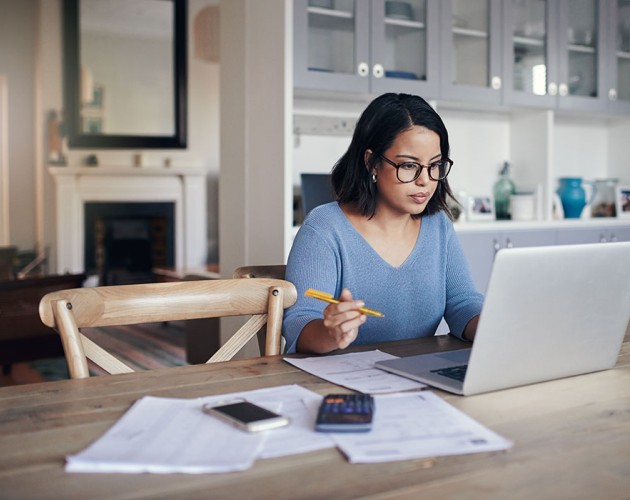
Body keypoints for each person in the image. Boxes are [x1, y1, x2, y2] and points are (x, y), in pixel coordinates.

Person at [283, 93, 483, 354]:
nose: (425, 180)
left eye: (435, 165)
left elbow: (462, 304)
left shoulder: (438, 226)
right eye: (409, 165)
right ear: (372, 162)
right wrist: (330, 332)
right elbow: (300, 323)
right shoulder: (325, 228)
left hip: (415, 377)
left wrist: (496, 326)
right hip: (338, 384)